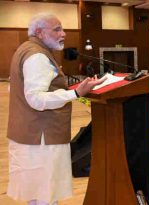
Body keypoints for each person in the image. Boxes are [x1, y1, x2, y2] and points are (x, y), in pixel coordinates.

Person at [7, 13, 106, 205]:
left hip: (31, 134)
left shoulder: (27, 49)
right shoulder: (37, 56)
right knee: (45, 195)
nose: (64, 33)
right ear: (39, 32)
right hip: (42, 137)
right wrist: (76, 93)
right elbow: (36, 98)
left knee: (38, 194)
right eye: (57, 29)